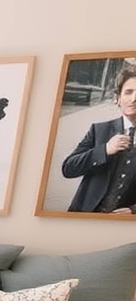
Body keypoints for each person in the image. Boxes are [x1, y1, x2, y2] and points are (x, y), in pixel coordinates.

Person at [61, 61, 136, 214]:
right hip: (83, 217)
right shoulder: (99, 130)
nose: (134, 98)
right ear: (118, 98)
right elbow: (68, 168)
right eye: (128, 92)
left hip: (124, 228)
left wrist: (133, 211)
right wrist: (105, 150)